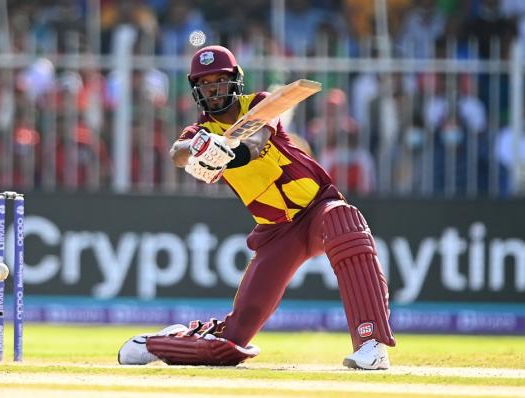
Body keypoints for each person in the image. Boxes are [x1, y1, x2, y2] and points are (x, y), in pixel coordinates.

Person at [117, 45, 396, 370]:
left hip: (316, 207)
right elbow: (177, 154)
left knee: (344, 220)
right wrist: (196, 147)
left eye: (219, 80)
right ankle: (160, 342)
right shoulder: (201, 130)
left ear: (235, 80)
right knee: (229, 347)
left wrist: (226, 153)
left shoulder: (260, 103)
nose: (213, 89)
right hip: (278, 235)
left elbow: (256, 141)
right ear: (196, 90)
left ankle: (371, 343)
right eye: (205, 84)